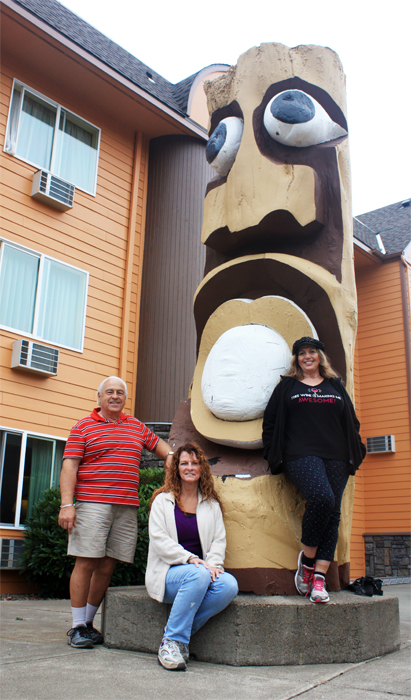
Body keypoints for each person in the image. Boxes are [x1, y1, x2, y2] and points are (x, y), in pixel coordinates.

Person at [58, 376, 174, 648]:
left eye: (120, 392)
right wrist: (66, 505)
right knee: (86, 561)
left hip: (126, 506)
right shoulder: (83, 427)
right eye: (109, 392)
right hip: (92, 504)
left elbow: (163, 449)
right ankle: (76, 627)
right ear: (98, 397)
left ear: (125, 398)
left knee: (108, 564)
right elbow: (69, 467)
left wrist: (171, 458)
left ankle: (87, 622)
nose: (115, 396)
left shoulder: (135, 426)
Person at [262, 337, 365, 604]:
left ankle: (318, 579)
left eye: (312, 352)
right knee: (322, 498)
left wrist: (357, 449)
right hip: (299, 454)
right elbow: (270, 422)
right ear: (296, 359)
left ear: (320, 356)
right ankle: (308, 561)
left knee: (333, 514)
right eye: (302, 353)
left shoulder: (335, 385)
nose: (307, 356)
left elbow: (351, 421)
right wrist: (272, 453)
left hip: (337, 456)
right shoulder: (287, 386)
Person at [146, 442, 239, 670]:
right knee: (198, 574)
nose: (189, 467)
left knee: (229, 585)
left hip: (201, 572)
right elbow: (159, 541)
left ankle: (179, 636)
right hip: (169, 574)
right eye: (184, 463)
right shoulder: (163, 501)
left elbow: (219, 540)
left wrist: (214, 564)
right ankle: (171, 643)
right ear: (176, 467)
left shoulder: (211, 504)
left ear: (202, 469)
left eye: (195, 463)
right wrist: (189, 558)